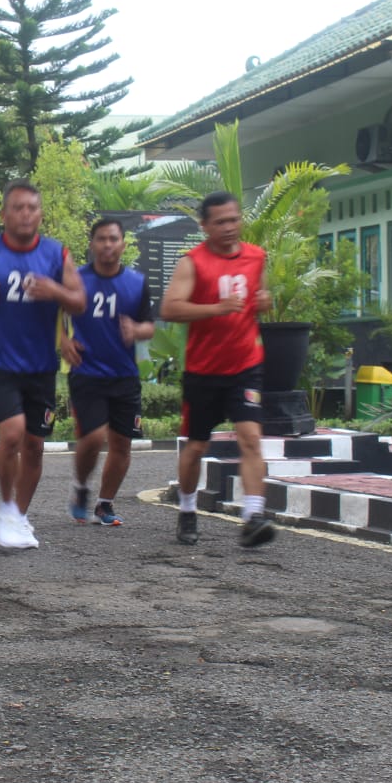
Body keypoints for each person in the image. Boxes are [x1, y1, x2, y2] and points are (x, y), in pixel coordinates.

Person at [0, 179, 86, 549]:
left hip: (40, 365)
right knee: (11, 435)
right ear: (4, 213)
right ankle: (6, 505)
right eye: (18, 208)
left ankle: (17, 515)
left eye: (32, 208)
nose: (26, 215)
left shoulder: (57, 254)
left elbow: (80, 301)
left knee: (35, 447)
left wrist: (54, 291)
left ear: (41, 214)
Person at [159, 191, 274, 548]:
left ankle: (252, 517)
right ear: (205, 226)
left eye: (234, 219)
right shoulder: (192, 263)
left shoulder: (256, 257)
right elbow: (170, 309)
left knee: (251, 439)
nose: (229, 227)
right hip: (204, 371)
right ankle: (188, 509)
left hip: (245, 366)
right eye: (220, 222)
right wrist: (216, 308)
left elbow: (262, 299)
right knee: (196, 447)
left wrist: (266, 302)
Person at [61, 218, 155, 528]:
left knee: (121, 444)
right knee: (93, 436)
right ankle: (81, 488)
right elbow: (50, 314)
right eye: (101, 239)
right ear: (92, 244)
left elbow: (149, 325)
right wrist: (63, 341)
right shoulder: (75, 280)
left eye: (113, 239)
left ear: (123, 244)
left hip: (124, 374)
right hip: (87, 371)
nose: (107, 245)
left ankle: (104, 503)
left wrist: (136, 329)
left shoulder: (137, 283)